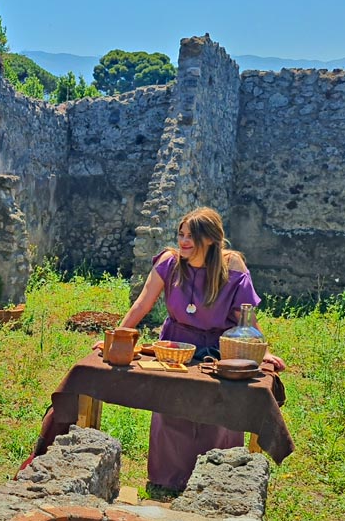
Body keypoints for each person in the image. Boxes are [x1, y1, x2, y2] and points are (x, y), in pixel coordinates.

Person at [117, 207, 285, 491]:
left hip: (218, 350)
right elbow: (142, 303)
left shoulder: (232, 267)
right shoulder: (169, 262)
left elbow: (247, 317)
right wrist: (119, 336)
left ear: (210, 239)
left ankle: (218, 480)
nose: (183, 241)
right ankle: (167, 479)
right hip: (175, 346)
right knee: (172, 408)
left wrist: (263, 350)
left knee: (218, 411)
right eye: (181, 234)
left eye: (191, 236)